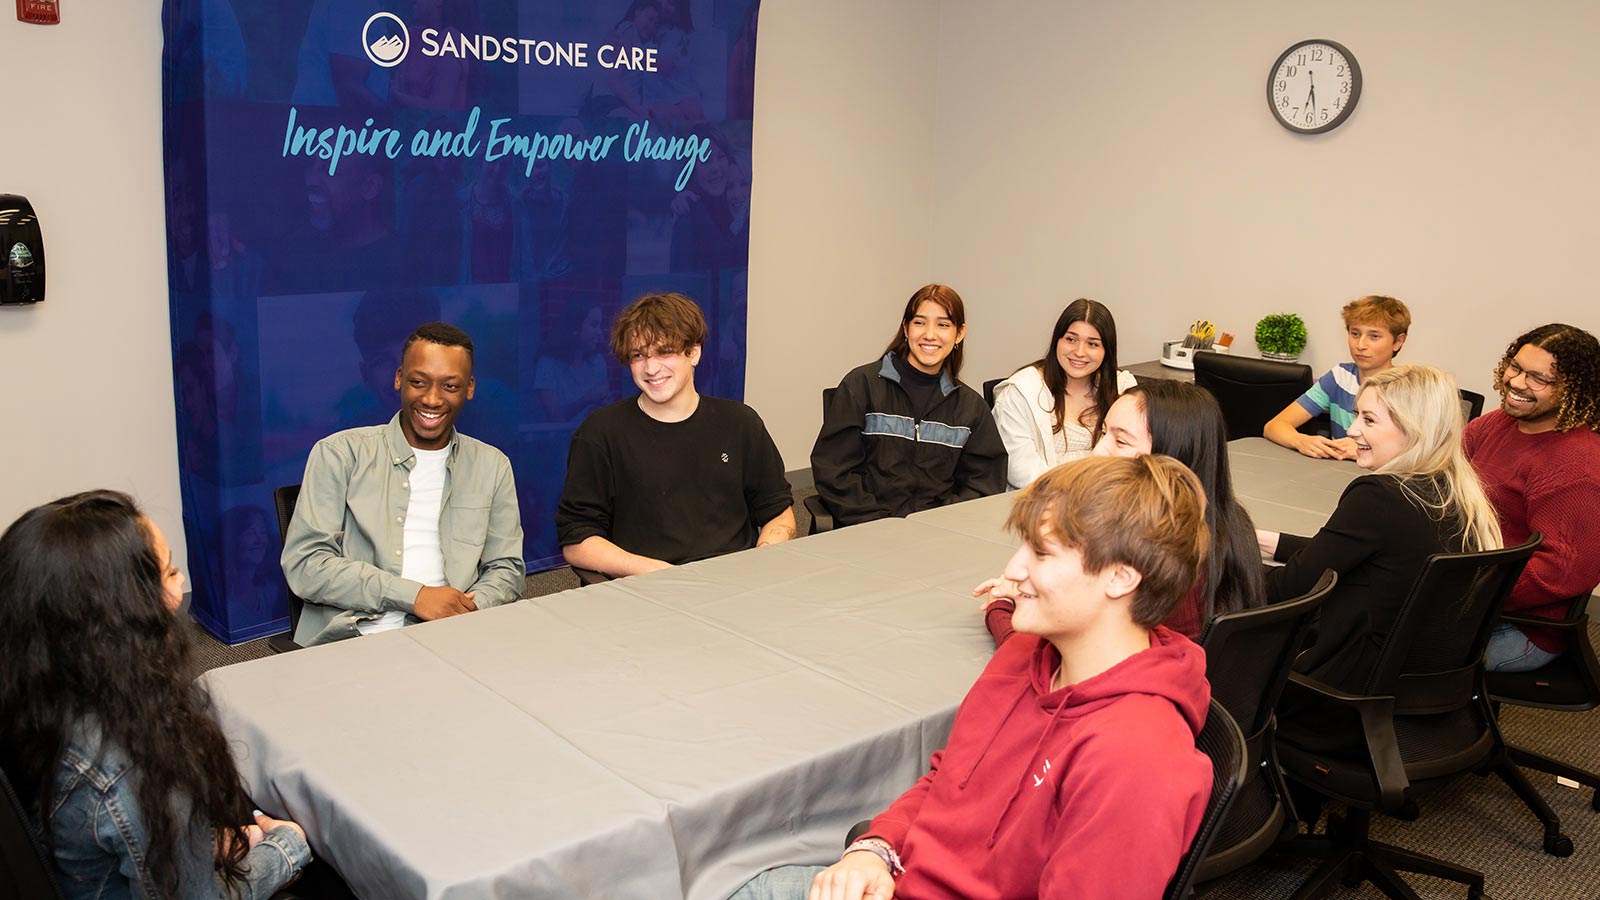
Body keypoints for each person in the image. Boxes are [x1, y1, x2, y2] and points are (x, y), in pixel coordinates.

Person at [729, 455, 1214, 900]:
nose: (1013, 569)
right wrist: (875, 850)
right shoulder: (1025, 654)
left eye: (1042, 554)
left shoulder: (1136, 757)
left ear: (1120, 578)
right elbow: (947, 780)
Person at [0, 491, 312, 898]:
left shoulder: (36, 697)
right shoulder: (135, 762)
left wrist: (192, 844)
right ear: (125, 614)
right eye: (170, 572)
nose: (181, 584)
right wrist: (286, 848)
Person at [1257, 365, 1502, 694]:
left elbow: (1293, 587)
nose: (1352, 429)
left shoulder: (1379, 497)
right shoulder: (1455, 492)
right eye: (1357, 415)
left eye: (1369, 420)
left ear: (1414, 429)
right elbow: (1345, 550)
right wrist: (1267, 541)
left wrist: (1228, 568)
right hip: (1416, 679)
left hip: (1344, 685)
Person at [282, 322, 525, 645]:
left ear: (469, 388)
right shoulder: (340, 454)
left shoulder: (492, 466)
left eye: (450, 386)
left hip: (457, 633)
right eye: (418, 382)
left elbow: (506, 568)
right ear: (399, 379)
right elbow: (306, 564)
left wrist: (467, 610)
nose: (432, 399)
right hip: (356, 637)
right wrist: (415, 596)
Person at [980, 380, 1264, 641]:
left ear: (1170, 457)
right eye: (1103, 432)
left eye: (1121, 441)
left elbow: (1067, 666)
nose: (1098, 451)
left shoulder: (1145, 551)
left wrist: (1000, 609)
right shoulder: (1233, 521)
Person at [557, 292, 795, 577]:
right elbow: (577, 540)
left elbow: (778, 513)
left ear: (694, 353)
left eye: (664, 352)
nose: (651, 368)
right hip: (648, 585)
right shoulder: (600, 433)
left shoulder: (741, 423)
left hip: (735, 582)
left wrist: (758, 563)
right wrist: (664, 575)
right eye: (638, 356)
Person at [810, 284, 1008, 526]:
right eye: (920, 322)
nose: (930, 335)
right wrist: (877, 525)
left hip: (939, 533)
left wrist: (940, 523)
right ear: (906, 328)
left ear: (959, 334)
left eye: (943, 325)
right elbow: (834, 470)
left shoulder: (970, 407)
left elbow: (983, 483)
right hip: (867, 529)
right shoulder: (861, 386)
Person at [1464, 323, 1600, 672]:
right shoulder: (1496, 424)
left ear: (1574, 389)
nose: (1517, 382)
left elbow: (1563, 570)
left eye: (1538, 378)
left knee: (1380, 651)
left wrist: (1462, 591)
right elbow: (1442, 478)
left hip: (1518, 625)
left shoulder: (1578, 466)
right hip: (1471, 591)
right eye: (1516, 367)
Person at [992, 298, 1137, 488]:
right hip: (1043, 497)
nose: (1080, 352)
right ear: (1057, 341)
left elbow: (1140, 457)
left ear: (1106, 350)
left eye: (1093, 344)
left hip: (1112, 496)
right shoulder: (1021, 392)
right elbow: (1020, 470)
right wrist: (1079, 493)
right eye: (1071, 339)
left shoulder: (1122, 389)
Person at [1263, 295, 1411, 460]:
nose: (1360, 345)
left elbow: (1417, 453)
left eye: (1374, 336)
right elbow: (1273, 426)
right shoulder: (1339, 377)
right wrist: (1301, 440)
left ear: (1398, 342)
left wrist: (1363, 450)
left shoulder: (1407, 389)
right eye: (1355, 334)